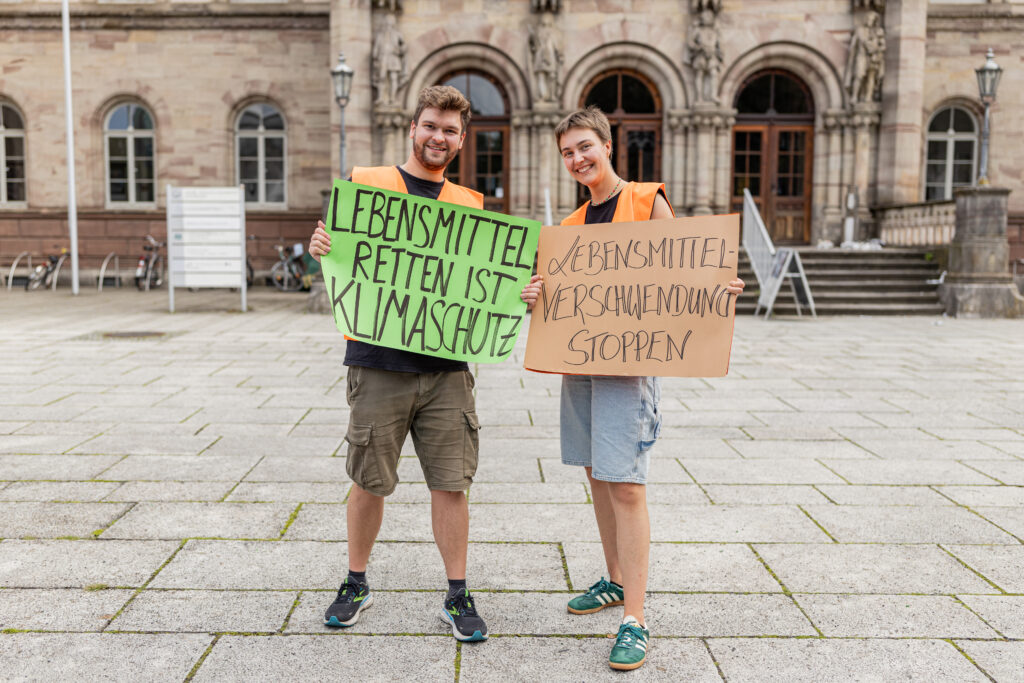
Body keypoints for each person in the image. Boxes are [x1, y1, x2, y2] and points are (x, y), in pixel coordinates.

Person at [520, 106, 744, 671]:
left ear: (608, 144)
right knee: (597, 472)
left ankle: (635, 620)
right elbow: (558, 298)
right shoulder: (567, 230)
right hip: (582, 365)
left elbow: (682, 270)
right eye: (568, 152)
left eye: (585, 147)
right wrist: (536, 296)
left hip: (628, 369)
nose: (577, 159)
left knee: (626, 485)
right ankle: (614, 581)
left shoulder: (647, 201)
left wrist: (718, 286)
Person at [309, 85, 488, 643]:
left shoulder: (471, 205)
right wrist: (322, 245)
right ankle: (356, 582)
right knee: (368, 481)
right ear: (413, 128)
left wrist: (515, 295)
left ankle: (457, 595)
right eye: (431, 125)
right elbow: (342, 256)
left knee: (451, 484)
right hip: (378, 362)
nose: (439, 137)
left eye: (451, 130)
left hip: (447, 370)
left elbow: (482, 284)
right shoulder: (367, 186)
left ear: (461, 140)